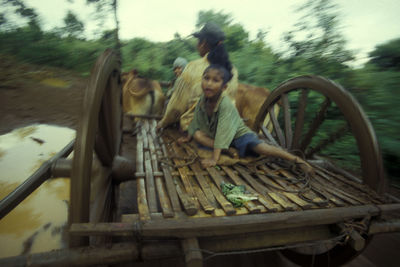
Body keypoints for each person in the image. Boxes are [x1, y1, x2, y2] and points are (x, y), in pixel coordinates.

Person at [178, 63, 313, 173]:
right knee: (197, 134)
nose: (208, 83)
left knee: (259, 147)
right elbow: (197, 119)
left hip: (237, 135)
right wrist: (189, 136)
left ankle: (295, 159)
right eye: (206, 78)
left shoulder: (224, 104)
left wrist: (214, 159)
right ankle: (228, 150)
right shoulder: (203, 99)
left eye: (215, 80)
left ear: (224, 87)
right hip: (217, 136)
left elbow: (223, 131)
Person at [156, 22, 238, 131]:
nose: (197, 45)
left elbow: (176, 108)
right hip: (226, 128)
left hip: (197, 129)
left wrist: (163, 122)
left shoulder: (192, 68)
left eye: (197, 42)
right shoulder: (233, 70)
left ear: (203, 43)